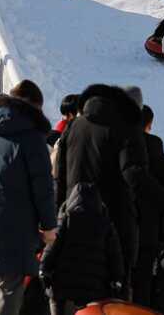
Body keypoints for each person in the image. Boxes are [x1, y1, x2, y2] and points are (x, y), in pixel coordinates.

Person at [0, 80, 58, 315]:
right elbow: (43, 186)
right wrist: (49, 226)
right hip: (17, 224)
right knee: (10, 289)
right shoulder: (32, 138)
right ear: (34, 107)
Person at [55, 84, 147, 292]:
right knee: (113, 297)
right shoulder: (126, 129)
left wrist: (57, 218)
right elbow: (135, 177)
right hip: (114, 228)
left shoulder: (74, 126)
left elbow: (60, 178)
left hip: (73, 222)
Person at [40, 183, 126, 315]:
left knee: (56, 303)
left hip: (64, 284)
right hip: (95, 287)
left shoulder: (66, 219)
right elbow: (115, 255)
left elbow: (52, 246)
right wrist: (117, 278)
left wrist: (44, 269)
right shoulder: (105, 224)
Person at [134, 104, 164, 307]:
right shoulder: (159, 155)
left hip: (121, 227)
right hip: (152, 231)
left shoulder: (117, 149)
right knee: (144, 284)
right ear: (149, 125)